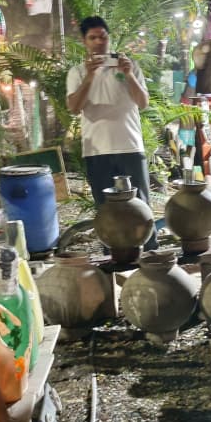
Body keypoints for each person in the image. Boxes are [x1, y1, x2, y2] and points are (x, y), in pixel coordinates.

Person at [66, 16, 157, 250]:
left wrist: (128, 75)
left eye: (103, 36)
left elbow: (143, 102)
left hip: (130, 146)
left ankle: (151, 255)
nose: (99, 42)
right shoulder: (77, 72)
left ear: (109, 38)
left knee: (141, 205)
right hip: (97, 151)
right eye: (92, 38)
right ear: (85, 42)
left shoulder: (129, 66)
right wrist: (90, 77)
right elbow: (74, 107)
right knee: (106, 210)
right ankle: (114, 255)